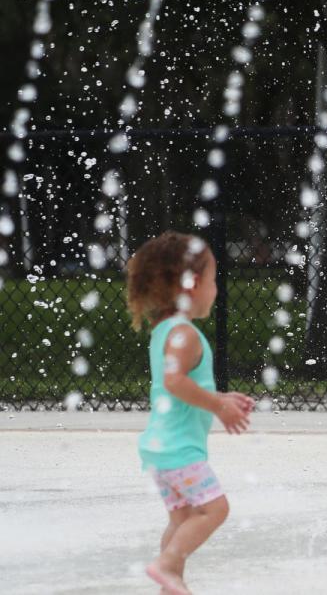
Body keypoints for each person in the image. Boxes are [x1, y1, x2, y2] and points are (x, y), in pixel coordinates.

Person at [127, 231, 254, 594]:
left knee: (181, 518)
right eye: (213, 281)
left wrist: (221, 396)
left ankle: (171, 584)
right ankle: (167, 565)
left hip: (159, 449)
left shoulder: (164, 329)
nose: (216, 289)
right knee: (215, 510)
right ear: (194, 284)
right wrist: (218, 406)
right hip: (179, 450)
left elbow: (182, 383)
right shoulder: (185, 333)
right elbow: (174, 381)